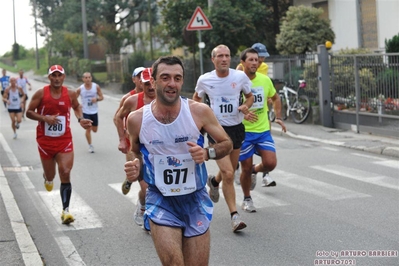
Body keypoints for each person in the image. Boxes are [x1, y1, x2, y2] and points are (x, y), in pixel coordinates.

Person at [124, 56, 232, 265]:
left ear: (182, 81)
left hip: (195, 199)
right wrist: (135, 165)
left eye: (177, 78)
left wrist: (207, 153)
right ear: (153, 82)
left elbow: (226, 142)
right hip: (160, 199)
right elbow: (135, 151)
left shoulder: (199, 112)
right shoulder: (137, 119)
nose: (172, 83)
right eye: (165, 78)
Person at [193, 44, 255, 232]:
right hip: (216, 131)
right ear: (213, 59)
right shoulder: (205, 79)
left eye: (227, 55)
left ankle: (214, 182)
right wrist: (204, 116)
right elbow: (196, 98)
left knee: (231, 168)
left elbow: (250, 96)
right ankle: (235, 216)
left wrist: (246, 106)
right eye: (220, 56)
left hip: (236, 129)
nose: (224, 59)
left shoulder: (240, 77)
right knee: (229, 173)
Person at [26, 65, 92, 224]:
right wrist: (45, 119)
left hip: (64, 140)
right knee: (51, 176)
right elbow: (29, 112)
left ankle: (66, 211)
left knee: (65, 171)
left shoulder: (69, 93)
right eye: (53, 75)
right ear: (49, 77)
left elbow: (76, 106)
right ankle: (47, 178)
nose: (56, 78)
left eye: (59, 75)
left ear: (63, 77)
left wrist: (80, 118)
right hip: (45, 141)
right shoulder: (41, 93)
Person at [238, 48, 286, 213]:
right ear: (243, 63)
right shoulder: (236, 82)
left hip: (263, 129)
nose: (254, 63)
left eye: (256, 60)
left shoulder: (265, 80)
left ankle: (254, 170)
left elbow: (275, 97)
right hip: (243, 132)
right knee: (244, 167)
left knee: (270, 163)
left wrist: (278, 116)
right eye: (250, 60)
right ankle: (247, 198)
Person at [114, 67, 155, 226]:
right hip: (135, 148)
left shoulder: (166, 99)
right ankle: (145, 210)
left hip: (156, 150)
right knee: (146, 187)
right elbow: (118, 117)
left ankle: (145, 204)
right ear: (140, 83)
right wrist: (122, 139)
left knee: (156, 187)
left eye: (152, 83)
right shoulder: (131, 100)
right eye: (146, 84)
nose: (150, 87)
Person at [235, 42, 275, 185]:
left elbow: (269, 90)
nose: (259, 61)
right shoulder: (239, 73)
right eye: (252, 59)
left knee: (270, 161)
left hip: (262, 118)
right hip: (243, 128)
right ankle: (245, 194)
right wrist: (242, 111)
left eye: (259, 59)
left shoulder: (263, 69)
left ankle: (262, 172)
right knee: (237, 167)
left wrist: (269, 97)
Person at [76, 72, 104, 153]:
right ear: (83, 79)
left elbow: (102, 97)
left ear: (91, 78)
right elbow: (73, 99)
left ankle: (91, 127)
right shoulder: (80, 89)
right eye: (86, 77)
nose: (88, 79)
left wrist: (97, 99)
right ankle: (90, 145)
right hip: (85, 112)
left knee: (94, 130)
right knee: (88, 128)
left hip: (94, 111)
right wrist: (78, 105)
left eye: (89, 77)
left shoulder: (96, 87)